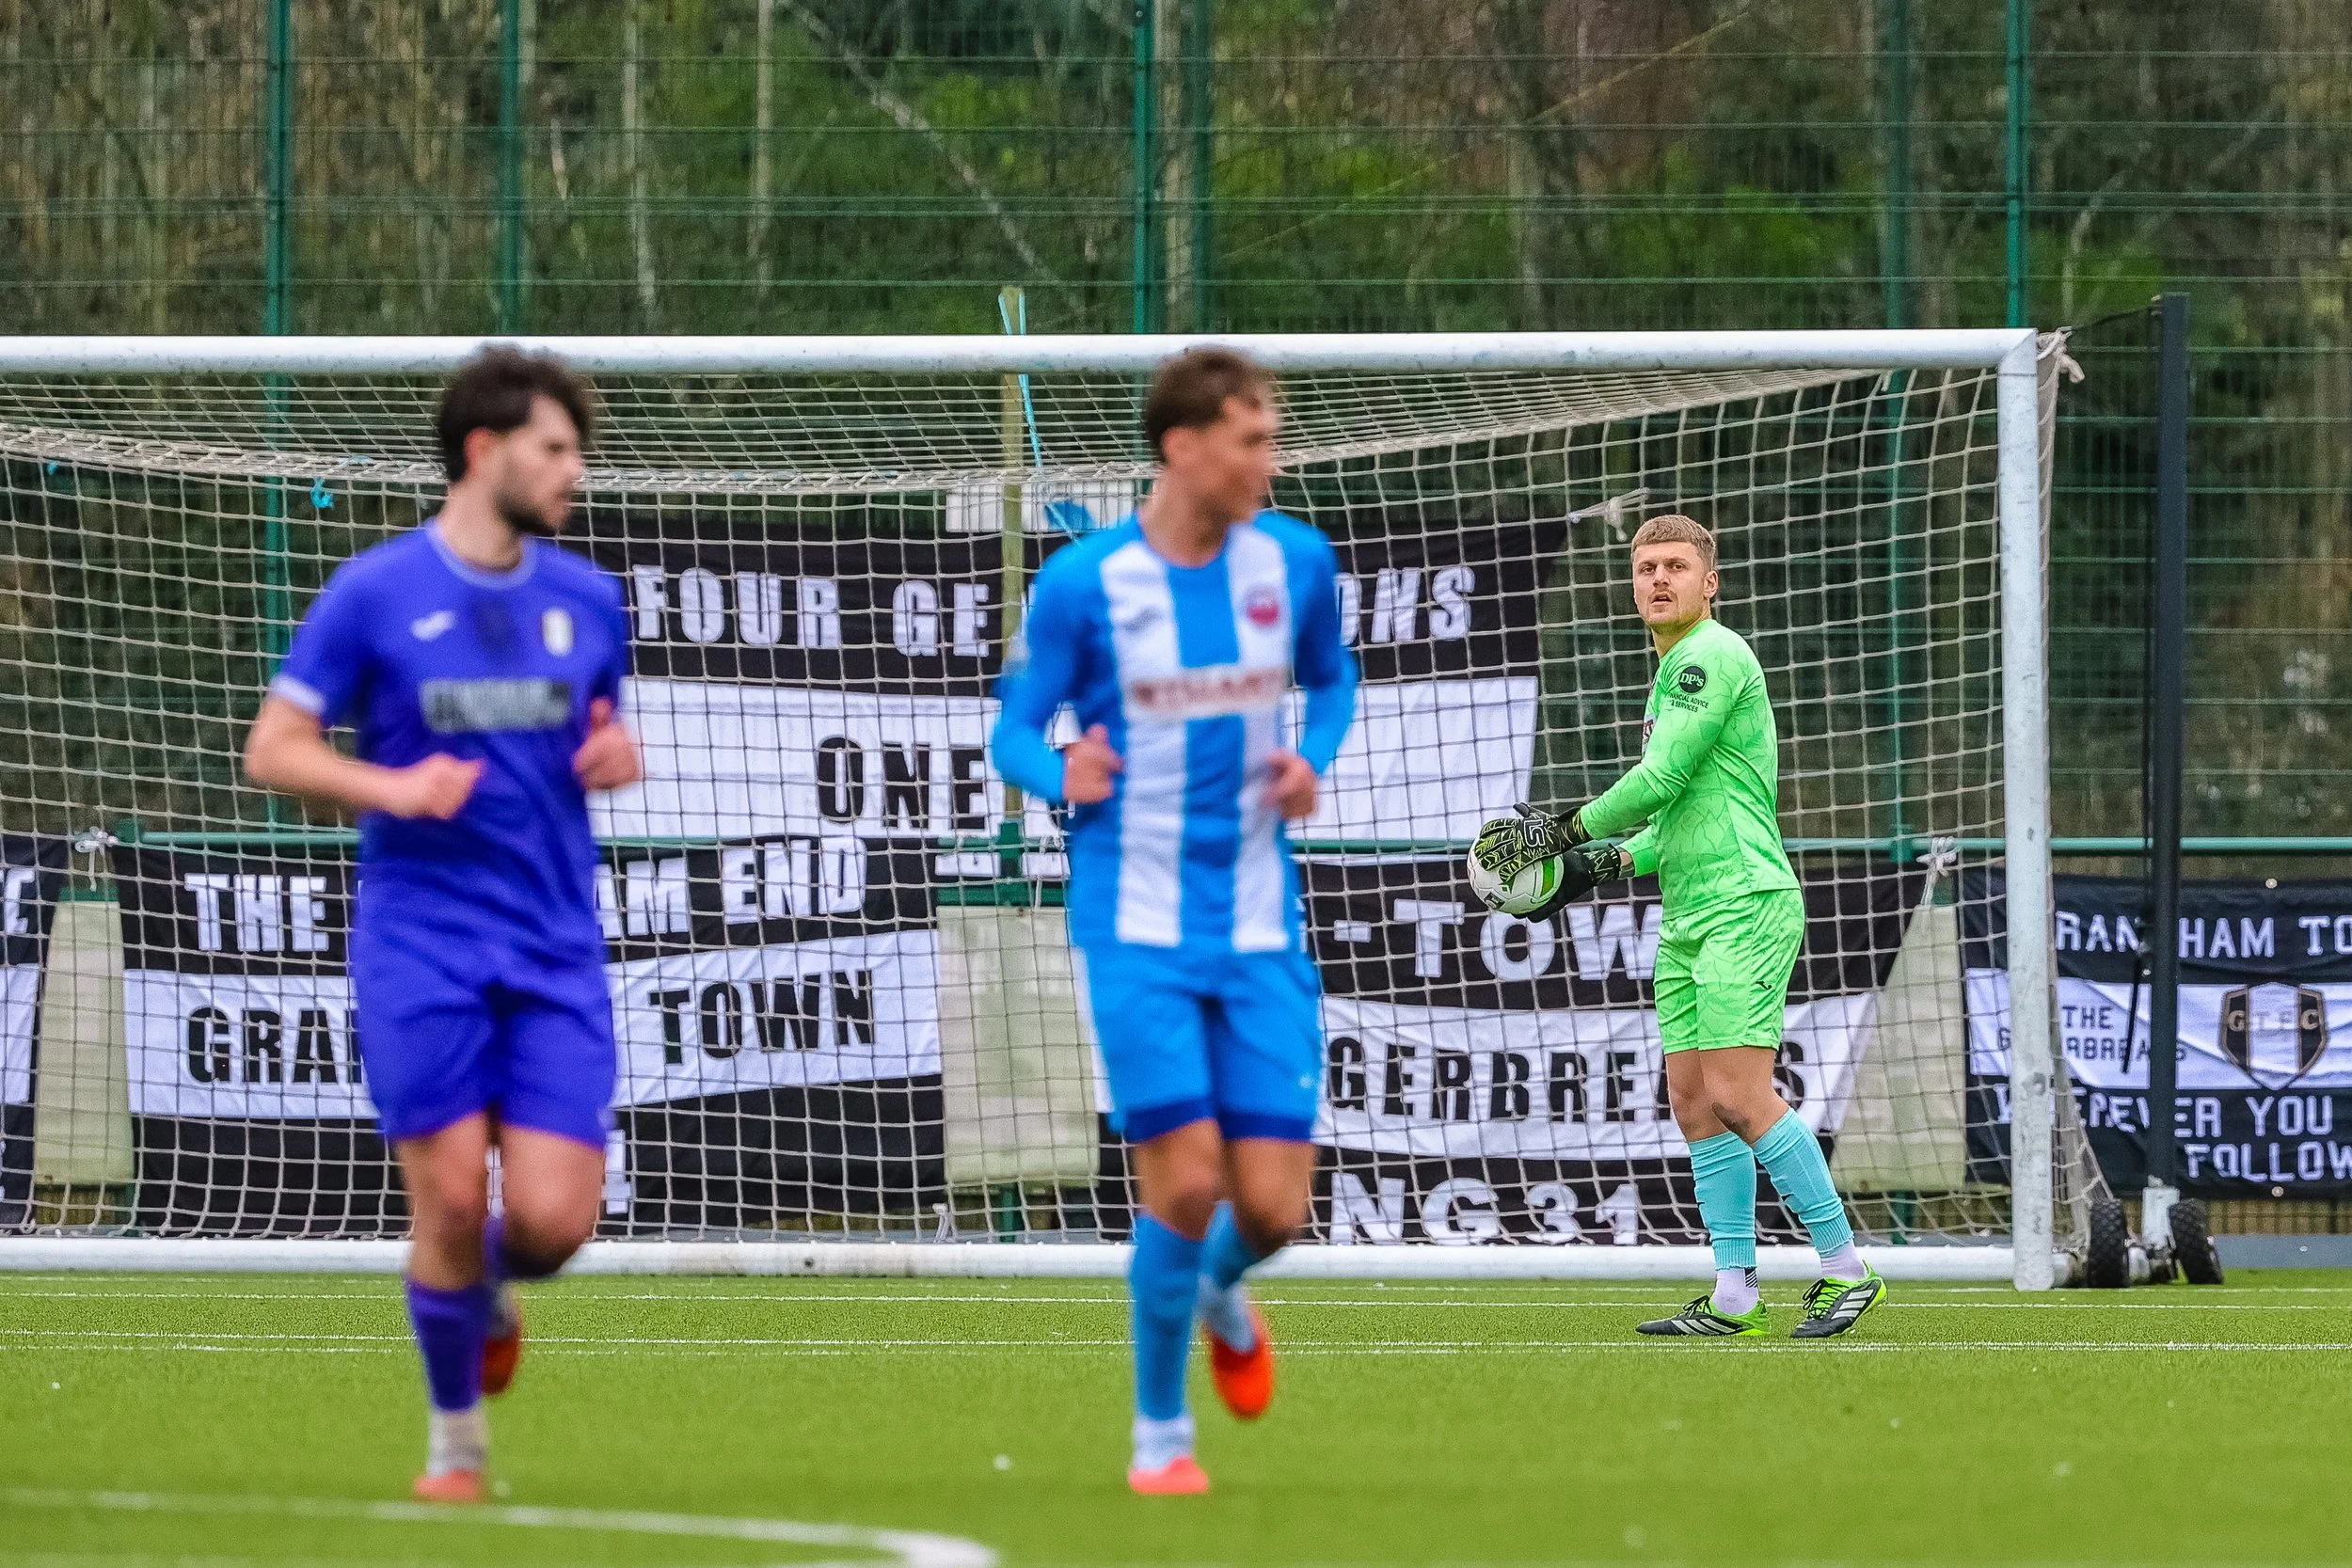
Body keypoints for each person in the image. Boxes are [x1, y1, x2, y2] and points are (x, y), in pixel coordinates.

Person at [242, 346, 641, 1500]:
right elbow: (274, 749)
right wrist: (394, 788)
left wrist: (613, 754)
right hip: (420, 940)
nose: (574, 471)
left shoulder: (588, 599)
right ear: (483, 449)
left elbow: (601, 730)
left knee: (554, 1222)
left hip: (554, 944)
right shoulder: (373, 593)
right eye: (554, 449)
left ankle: (486, 1286)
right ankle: (456, 1448)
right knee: (453, 1198)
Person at [991, 346, 1358, 1494]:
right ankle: (1161, 1433)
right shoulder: (1082, 583)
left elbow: (1333, 679)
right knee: (1185, 1186)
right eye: (1251, 441)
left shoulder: (1294, 561)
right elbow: (1010, 730)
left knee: (1274, 1209)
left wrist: (1311, 757)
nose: (1269, 462)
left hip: (1257, 922)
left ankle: (1216, 1290)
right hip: (1132, 921)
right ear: (1183, 447)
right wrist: (1060, 772)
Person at [1480, 513, 1883, 1338]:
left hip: (1745, 902)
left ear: (1710, 582)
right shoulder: (1669, 672)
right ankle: (1735, 1293)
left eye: (1675, 565)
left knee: (1739, 1094)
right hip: (1692, 911)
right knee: (1695, 1103)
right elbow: (1672, 823)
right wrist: (1596, 865)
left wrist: (1561, 832)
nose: (1658, 578)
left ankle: (1848, 1269)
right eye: (1645, 568)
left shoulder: (1710, 655)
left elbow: (1659, 777)